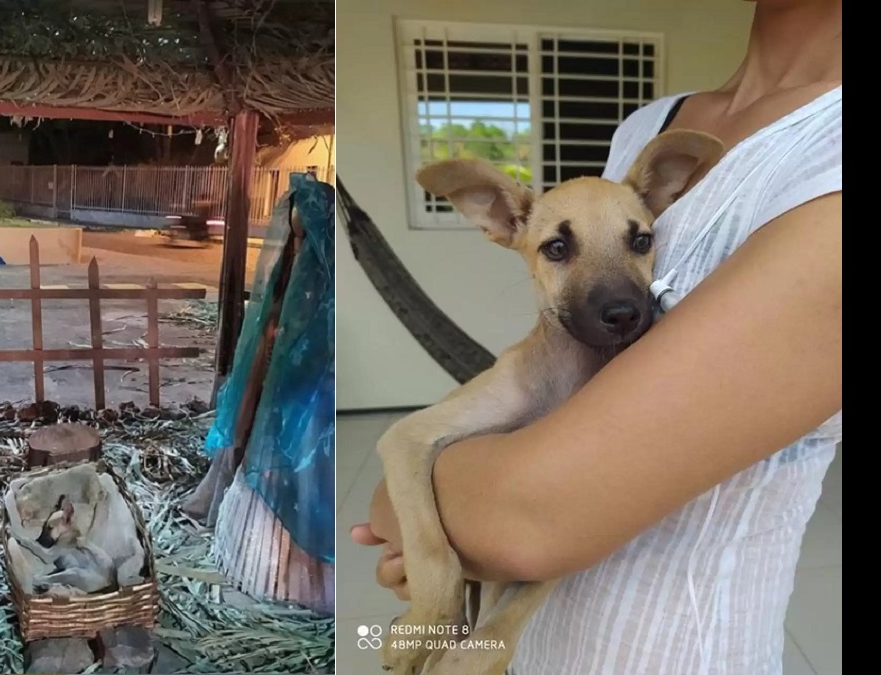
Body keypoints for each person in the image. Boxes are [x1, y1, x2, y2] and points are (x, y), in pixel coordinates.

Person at [350, 0, 841, 672]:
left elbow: (529, 517)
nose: (612, 288)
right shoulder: (651, 122)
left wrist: (438, 521)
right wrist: (465, 533)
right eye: (561, 250)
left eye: (639, 243)